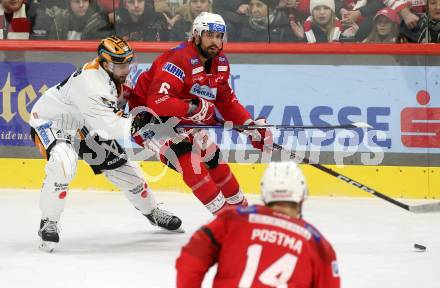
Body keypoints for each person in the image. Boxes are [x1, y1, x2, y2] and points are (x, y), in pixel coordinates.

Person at [29, 36, 182, 252]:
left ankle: (152, 211)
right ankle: (49, 220)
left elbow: (124, 110)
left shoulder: (114, 77)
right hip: (52, 121)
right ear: (104, 62)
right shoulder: (91, 84)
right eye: (119, 64)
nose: (125, 68)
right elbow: (109, 127)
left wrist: (159, 117)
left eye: (127, 62)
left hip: (86, 123)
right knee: (64, 163)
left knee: (127, 173)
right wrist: (141, 122)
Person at [128, 12, 273, 215]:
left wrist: (251, 126)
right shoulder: (179, 59)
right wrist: (195, 107)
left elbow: (227, 102)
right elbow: (158, 102)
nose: (215, 41)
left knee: (213, 159)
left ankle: (242, 211)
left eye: (219, 36)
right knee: (190, 162)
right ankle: (225, 219)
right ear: (196, 35)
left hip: (181, 119)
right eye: (209, 35)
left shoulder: (220, 63)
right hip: (150, 121)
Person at [175, 162, 340, 288]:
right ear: (302, 195)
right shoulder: (318, 244)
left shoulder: (232, 219)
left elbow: (190, 260)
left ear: (264, 192)